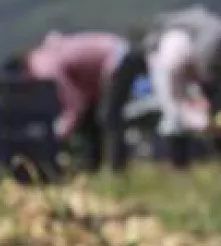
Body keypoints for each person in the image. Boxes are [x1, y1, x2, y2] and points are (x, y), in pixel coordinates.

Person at [141, 5, 221, 168]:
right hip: (171, 66)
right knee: (173, 122)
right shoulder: (171, 56)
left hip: (217, 64)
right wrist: (203, 123)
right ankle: (178, 167)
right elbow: (175, 103)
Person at [24, 31, 144, 172]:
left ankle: (117, 169)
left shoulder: (43, 68)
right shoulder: (46, 58)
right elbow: (82, 95)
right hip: (114, 58)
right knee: (91, 120)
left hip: (118, 58)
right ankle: (93, 166)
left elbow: (75, 104)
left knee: (108, 116)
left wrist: (60, 133)